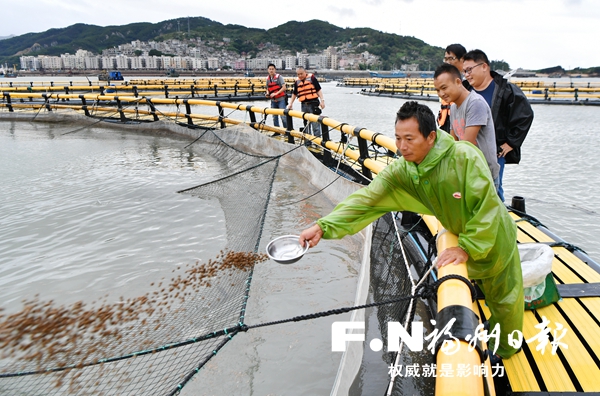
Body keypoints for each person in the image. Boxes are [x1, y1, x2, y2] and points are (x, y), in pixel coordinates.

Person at [299, 101, 523, 362]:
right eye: (397, 138)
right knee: (483, 291)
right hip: (460, 237)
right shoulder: (404, 170)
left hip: (493, 238)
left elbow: (487, 208)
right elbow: (367, 199)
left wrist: (467, 247)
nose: (401, 146)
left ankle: (507, 353)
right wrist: (323, 226)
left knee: (505, 300)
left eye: (409, 138)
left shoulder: (464, 158)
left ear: (430, 137)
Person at [461, 49, 534, 202]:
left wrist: (511, 143)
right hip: (468, 150)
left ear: (484, 67)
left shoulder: (506, 90)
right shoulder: (464, 89)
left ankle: (499, 220)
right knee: (467, 188)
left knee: (494, 189)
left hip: (494, 151)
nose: (467, 74)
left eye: (469, 70)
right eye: (464, 71)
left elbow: (525, 116)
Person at [433, 63, 500, 191]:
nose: (441, 93)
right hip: (467, 173)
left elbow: (466, 146)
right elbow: (452, 142)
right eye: (437, 90)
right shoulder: (453, 107)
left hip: (483, 175)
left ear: (458, 82)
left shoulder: (475, 103)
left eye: (444, 88)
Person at [287, 66, 325, 138]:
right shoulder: (297, 82)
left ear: (305, 72)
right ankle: (308, 142)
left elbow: (318, 89)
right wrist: (290, 104)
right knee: (306, 124)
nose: (300, 76)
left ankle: (317, 142)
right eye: (298, 74)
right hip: (304, 105)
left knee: (315, 124)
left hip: (313, 103)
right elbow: (294, 93)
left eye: (301, 73)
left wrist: (322, 101)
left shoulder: (312, 78)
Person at [438, 44, 467, 132]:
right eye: (446, 59)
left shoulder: (468, 79)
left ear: (462, 59)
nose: (447, 62)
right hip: (447, 124)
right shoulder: (446, 79)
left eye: (451, 58)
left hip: (461, 126)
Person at [265, 63, 288, 129]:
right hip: (273, 101)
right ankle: (277, 131)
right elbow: (268, 88)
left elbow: (284, 87)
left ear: (275, 70)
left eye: (272, 69)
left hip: (281, 100)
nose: (271, 70)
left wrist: (276, 93)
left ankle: (286, 131)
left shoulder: (279, 77)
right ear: (268, 70)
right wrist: (267, 94)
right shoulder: (268, 79)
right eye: (270, 69)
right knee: (274, 117)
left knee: (283, 117)